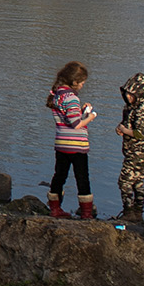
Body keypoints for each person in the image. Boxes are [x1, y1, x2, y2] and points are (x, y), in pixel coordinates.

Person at [46, 60, 98, 220]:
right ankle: (86, 213)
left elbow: (67, 118)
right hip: (76, 145)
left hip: (61, 143)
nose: (82, 85)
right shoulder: (72, 98)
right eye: (82, 83)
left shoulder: (57, 95)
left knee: (59, 176)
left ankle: (54, 209)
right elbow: (76, 124)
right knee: (82, 177)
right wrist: (90, 117)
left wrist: (81, 111)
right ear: (74, 82)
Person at [114, 72, 144, 221]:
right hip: (134, 151)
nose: (128, 97)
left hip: (139, 152)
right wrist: (121, 129)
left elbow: (140, 133)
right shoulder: (130, 108)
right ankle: (138, 213)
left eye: (131, 94)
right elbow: (128, 126)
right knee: (137, 181)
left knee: (124, 181)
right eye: (127, 94)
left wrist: (125, 131)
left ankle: (129, 211)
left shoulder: (142, 110)